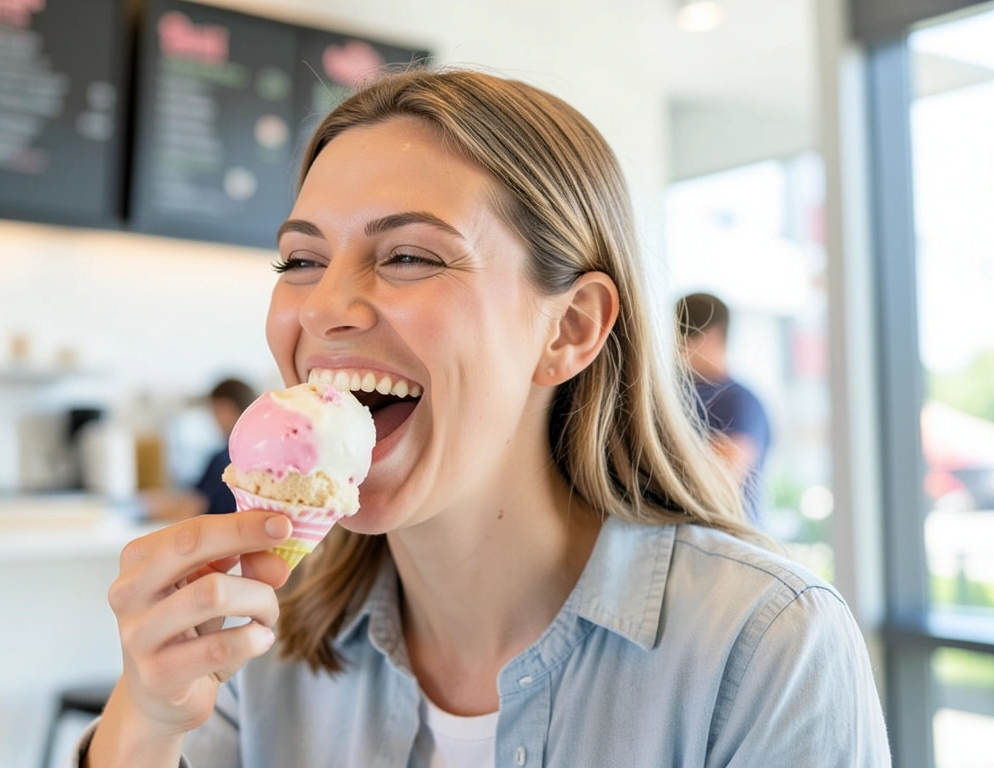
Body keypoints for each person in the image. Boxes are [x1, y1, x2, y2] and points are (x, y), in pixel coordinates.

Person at [79, 68, 889, 767]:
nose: (324, 306)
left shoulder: (766, 646)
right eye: (301, 260)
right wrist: (144, 726)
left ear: (570, 328)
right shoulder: (259, 642)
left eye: (408, 256)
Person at [675, 292, 773, 526]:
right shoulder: (671, 394)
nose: (678, 346)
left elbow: (717, 482)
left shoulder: (739, 401)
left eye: (686, 335)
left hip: (728, 541)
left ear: (712, 336)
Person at [143, 377, 257, 520]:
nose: (213, 418)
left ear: (225, 409)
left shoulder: (224, 459)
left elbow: (189, 511)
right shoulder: (258, 457)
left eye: (215, 410)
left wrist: (146, 511)